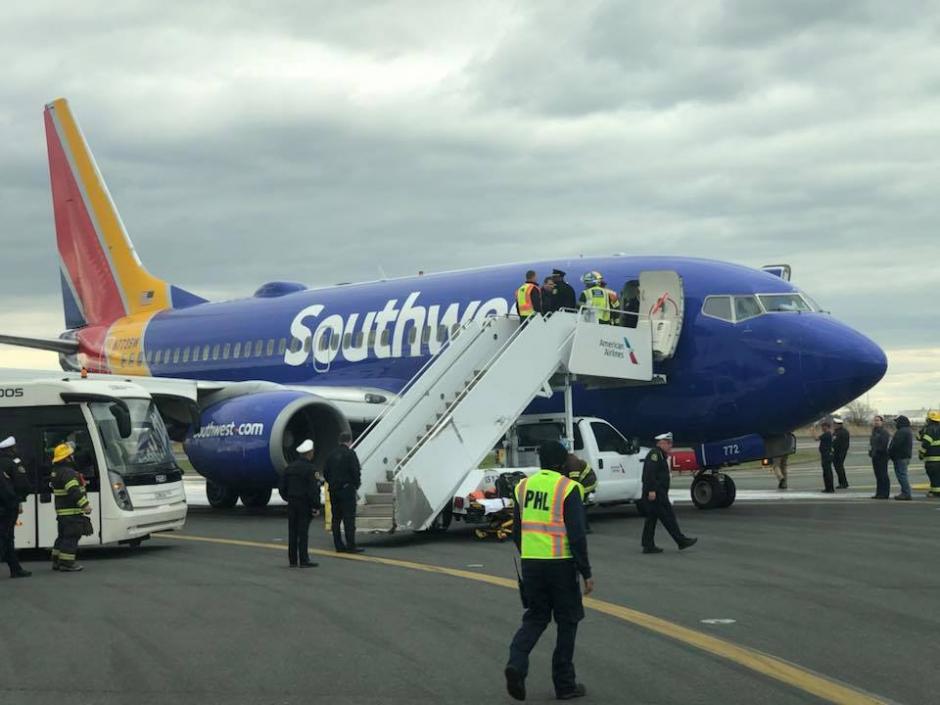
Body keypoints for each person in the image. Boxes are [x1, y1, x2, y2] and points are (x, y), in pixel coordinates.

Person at [505, 441, 592, 701]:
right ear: (562, 463)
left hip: (532, 564)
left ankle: (516, 663)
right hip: (561, 564)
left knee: (535, 618)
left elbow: (517, 531)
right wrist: (586, 571)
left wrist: (530, 556)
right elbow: (577, 535)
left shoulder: (523, 487)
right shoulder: (568, 488)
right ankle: (564, 684)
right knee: (567, 620)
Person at [640, 433, 697, 554]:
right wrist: (651, 490)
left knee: (651, 519)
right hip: (656, 493)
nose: (671, 446)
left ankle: (648, 545)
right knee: (668, 517)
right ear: (661, 443)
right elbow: (650, 473)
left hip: (658, 492)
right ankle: (681, 541)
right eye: (668, 443)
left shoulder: (660, 455)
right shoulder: (655, 455)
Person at [278, 439, 321, 568]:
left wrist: (288, 498)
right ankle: (303, 559)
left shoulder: (289, 468)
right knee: (303, 532)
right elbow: (314, 490)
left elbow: (282, 487)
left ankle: (292, 560)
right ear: (309, 453)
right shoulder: (311, 469)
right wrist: (316, 506)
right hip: (304, 504)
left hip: (292, 503)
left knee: (292, 531)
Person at [50, 442, 91, 572]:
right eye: (71, 455)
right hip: (71, 512)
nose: (73, 457)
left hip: (62, 512)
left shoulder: (57, 471)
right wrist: (85, 505)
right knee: (72, 537)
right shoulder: (68, 472)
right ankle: (67, 563)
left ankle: (56, 561)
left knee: (62, 537)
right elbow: (73, 490)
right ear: (67, 458)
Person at [324, 431, 363, 553]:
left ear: (339, 441)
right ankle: (351, 545)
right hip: (347, 489)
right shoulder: (350, 454)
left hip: (334, 490)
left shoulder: (331, 455)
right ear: (349, 441)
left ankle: (338, 545)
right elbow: (355, 471)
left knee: (336, 518)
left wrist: (332, 483)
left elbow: (325, 472)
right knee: (349, 518)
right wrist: (356, 485)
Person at [0, 436, 31, 578]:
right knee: (5, 538)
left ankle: (15, 568)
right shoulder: (13, 463)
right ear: (11, 449)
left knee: (6, 538)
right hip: (8, 507)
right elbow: (22, 485)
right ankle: (15, 569)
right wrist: (19, 500)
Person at [563, 453, 597, 534]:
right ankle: (584, 527)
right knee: (579, 505)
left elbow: (574, 483)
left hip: (587, 483)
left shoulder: (572, 463)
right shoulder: (568, 460)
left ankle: (584, 528)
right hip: (583, 482)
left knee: (578, 505)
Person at [889, 415, 914, 500]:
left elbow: (896, 444)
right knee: (902, 474)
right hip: (904, 456)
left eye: (897, 422)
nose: (896, 423)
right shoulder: (907, 430)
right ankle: (905, 492)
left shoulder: (902, 431)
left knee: (902, 475)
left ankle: (906, 493)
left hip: (900, 457)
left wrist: (890, 453)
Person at [918, 410, 940, 498]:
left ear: (929, 419)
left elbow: (925, 443)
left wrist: (921, 454)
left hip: (932, 459)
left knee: (934, 476)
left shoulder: (930, 429)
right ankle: (935, 490)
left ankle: (936, 493)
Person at [868, 415, 891, 499]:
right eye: (875, 420)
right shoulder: (874, 432)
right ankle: (879, 493)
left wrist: (877, 450)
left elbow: (884, 445)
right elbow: (872, 443)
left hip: (882, 456)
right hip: (875, 456)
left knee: (883, 475)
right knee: (878, 475)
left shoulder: (884, 432)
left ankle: (885, 493)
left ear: (882, 422)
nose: (876, 422)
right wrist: (871, 451)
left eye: (878, 420)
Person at [832, 417, 850, 489]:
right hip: (835, 452)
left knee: (839, 468)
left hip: (840, 453)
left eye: (835, 424)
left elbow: (845, 444)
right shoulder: (836, 432)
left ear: (839, 424)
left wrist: (841, 453)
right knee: (838, 468)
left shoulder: (843, 432)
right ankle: (842, 482)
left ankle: (844, 483)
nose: (834, 425)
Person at [817, 421, 835, 493]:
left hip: (826, 455)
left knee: (827, 472)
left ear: (826, 427)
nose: (822, 428)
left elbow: (816, 438)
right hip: (827, 454)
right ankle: (828, 487)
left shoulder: (826, 434)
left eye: (823, 427)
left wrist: (812, 431)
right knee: (827, 472)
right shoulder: (828, 434)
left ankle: (829, 488)